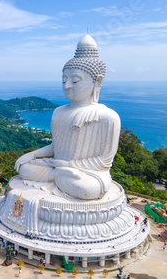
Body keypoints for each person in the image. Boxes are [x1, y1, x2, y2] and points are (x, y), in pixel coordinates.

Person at [13, 35, 119, 200]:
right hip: (59, 167)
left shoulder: (107, 117)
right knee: (24, 168)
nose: (67, 86)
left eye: (75, 81)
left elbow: (104, 162)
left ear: (97, 82)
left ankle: (58, 176)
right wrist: (33, 155)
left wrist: (68, 166)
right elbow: (56, 147)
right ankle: (57, 176)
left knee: (88, 189)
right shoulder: (59, 112)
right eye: (64, 80)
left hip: (87, 174)